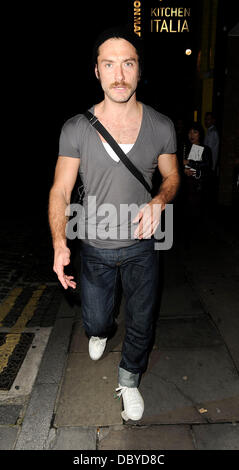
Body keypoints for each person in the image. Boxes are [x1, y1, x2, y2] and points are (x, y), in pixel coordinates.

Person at [48, 26, 180, 422]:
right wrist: (59, 243)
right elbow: (60, 190)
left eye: (128, 63)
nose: (119, 74)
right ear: (97, 72)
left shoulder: (161, 125)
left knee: (143, 317)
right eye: (110, 64)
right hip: (95, 246)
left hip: (142, 244)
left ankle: (129, 380)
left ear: (139, 71)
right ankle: (100, 330)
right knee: (96, 318)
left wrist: (159, 200)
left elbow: (173, 177)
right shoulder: (75, 128)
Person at [183, 121, 212, 224]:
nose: (191, 135)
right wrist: (184, 170)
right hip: (186, 187)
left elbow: (207, 167)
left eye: (195, 132)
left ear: (200, 134)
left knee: (197, 215)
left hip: (199, 187)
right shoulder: (185, 148)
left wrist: (190, 163)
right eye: (190, 132)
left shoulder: (205, 149)